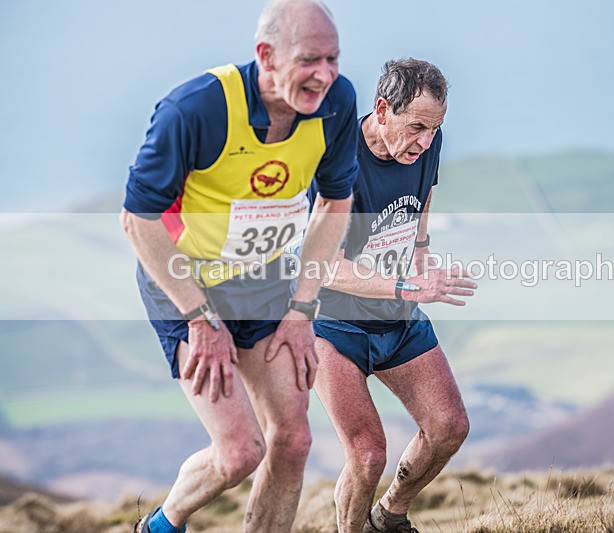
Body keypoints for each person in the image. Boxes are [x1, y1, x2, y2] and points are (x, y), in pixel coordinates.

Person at [119, 0, 357, 531]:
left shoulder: (338, 102)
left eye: (333, 59)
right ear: (266, 56)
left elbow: (334, 203)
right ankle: (159, 525)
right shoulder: (194, 110)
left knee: (293, 441)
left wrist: (302, 310)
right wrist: (200, 319)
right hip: (185, 284)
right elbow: (138, 220)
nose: (325, 75)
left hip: (266, 286)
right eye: (309, 60)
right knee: (239, 452)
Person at [305, 58, 476, 533]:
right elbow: (323, 266)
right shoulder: (336, 162)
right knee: (367, 455)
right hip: (330, 325)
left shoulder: (427, 145)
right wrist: (406, 285)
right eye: (416, 127)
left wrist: (421, 256)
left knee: (449, 427)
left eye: (434, 129)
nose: (426, 141)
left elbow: (421, 204)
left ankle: (389, 517)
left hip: (397, 316)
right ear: (382, 110)